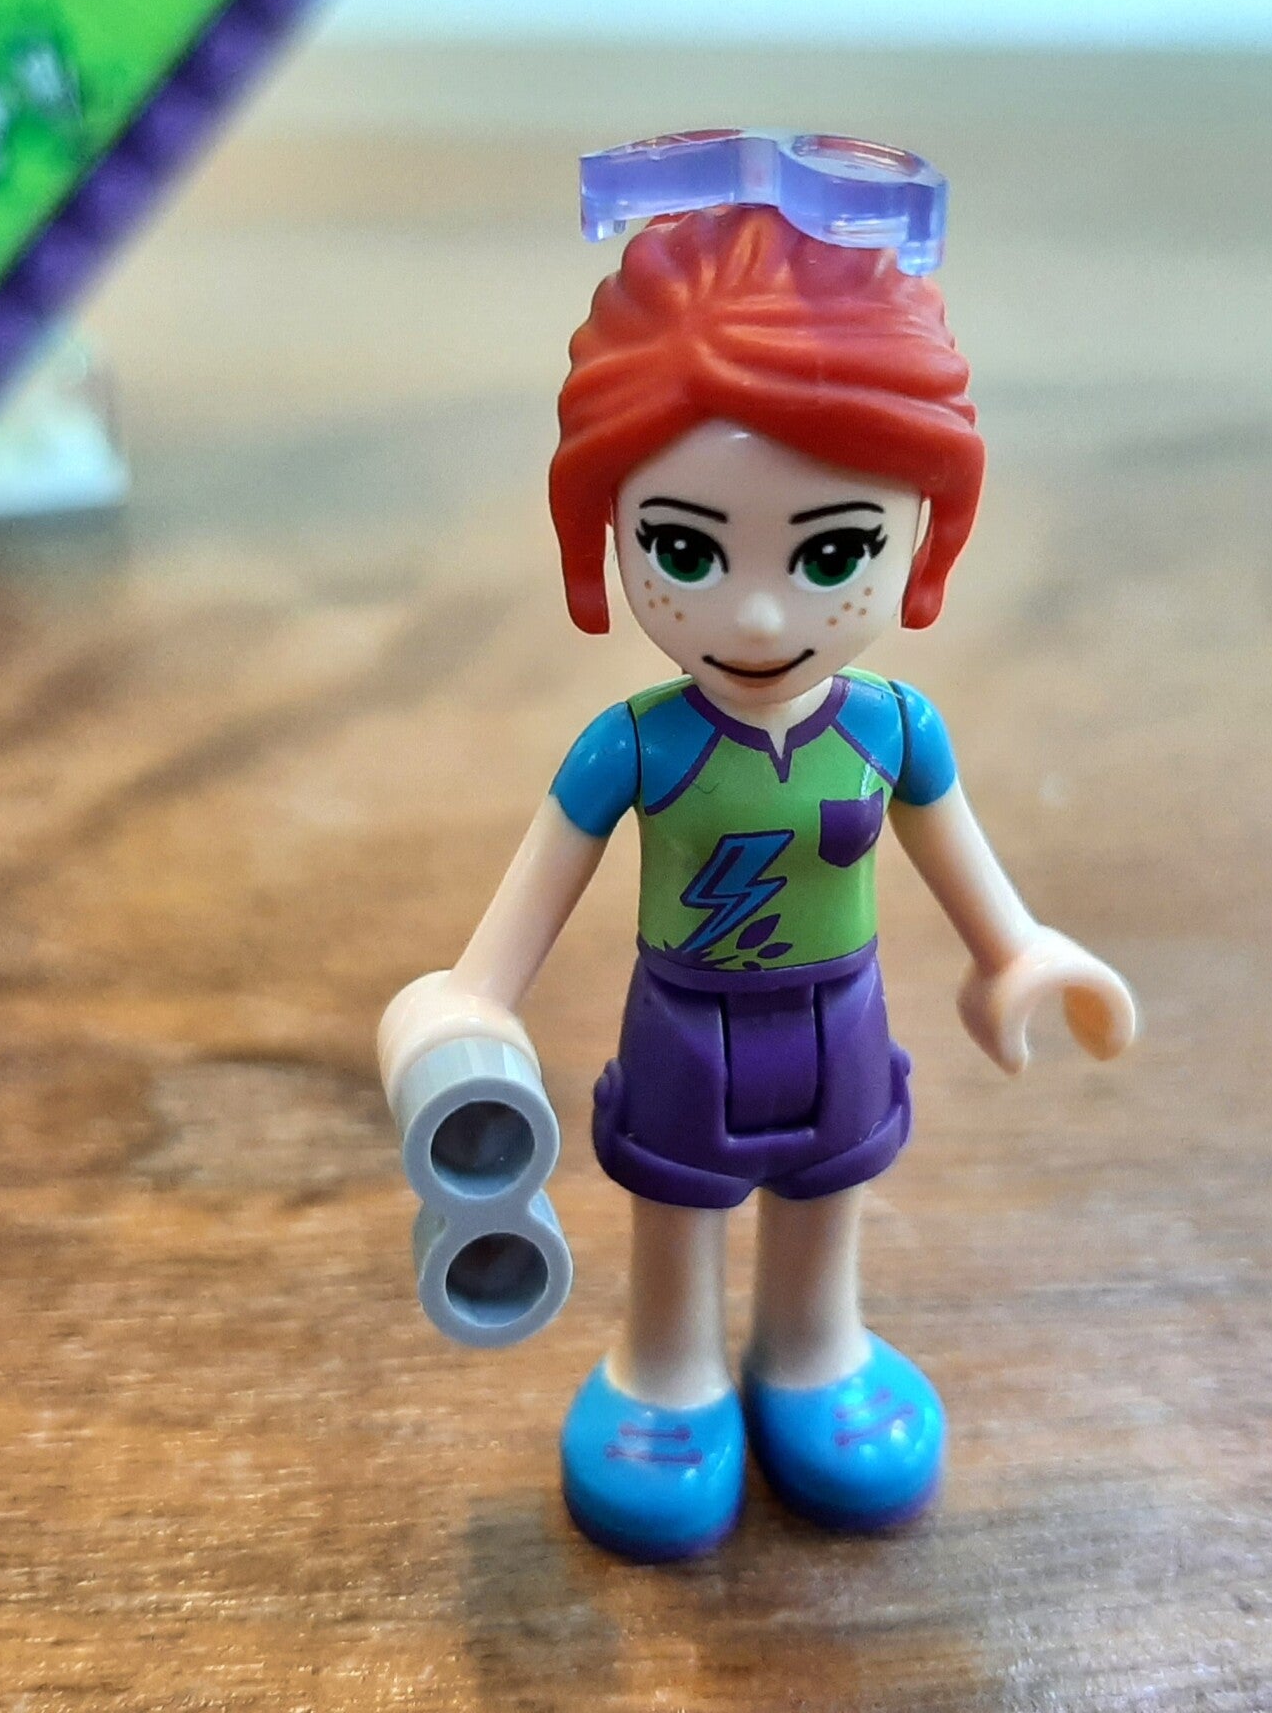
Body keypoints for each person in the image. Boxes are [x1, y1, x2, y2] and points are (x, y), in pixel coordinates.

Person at [379, 192, 1137, 1562]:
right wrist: (470, 1007)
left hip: (840, 1012)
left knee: (828, 1191)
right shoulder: (633, 748)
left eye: (832, 552)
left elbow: (966, 867)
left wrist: (1019, 952)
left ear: (924, 535)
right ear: (607, 530)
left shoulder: (894, 732)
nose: (763, 611)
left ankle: (814, 1354)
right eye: (686, 550)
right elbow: (508, 937)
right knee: (676, 1204)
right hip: (684, 1017)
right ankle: (665, 1369)